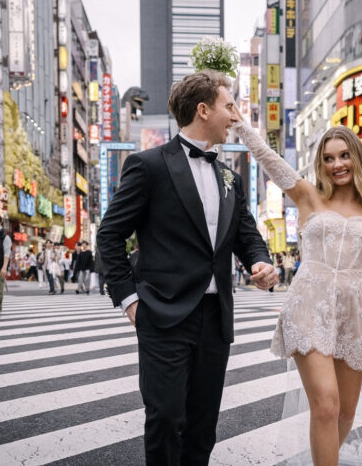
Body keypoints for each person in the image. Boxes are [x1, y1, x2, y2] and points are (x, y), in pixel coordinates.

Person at [96, 70, 276, 466]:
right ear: (203, 110)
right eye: (230, 106)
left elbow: (247, 235)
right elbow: (109, 235)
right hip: (163, 314)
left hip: (215, 317)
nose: (235, 117)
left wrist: (261, 261)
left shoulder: (231, 177)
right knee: (165, 418)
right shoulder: (149, 165)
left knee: (202, 425)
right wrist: (129, 300)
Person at [231, 116, 362, 466]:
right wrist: (242, 126)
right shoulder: (309, 195)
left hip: (353, 315)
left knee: (345, 413)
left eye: (344, 155)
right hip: (308, 305)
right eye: (328, 158)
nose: (337, 165)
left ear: (358, 157)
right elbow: (269, 159)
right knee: (326, 406)